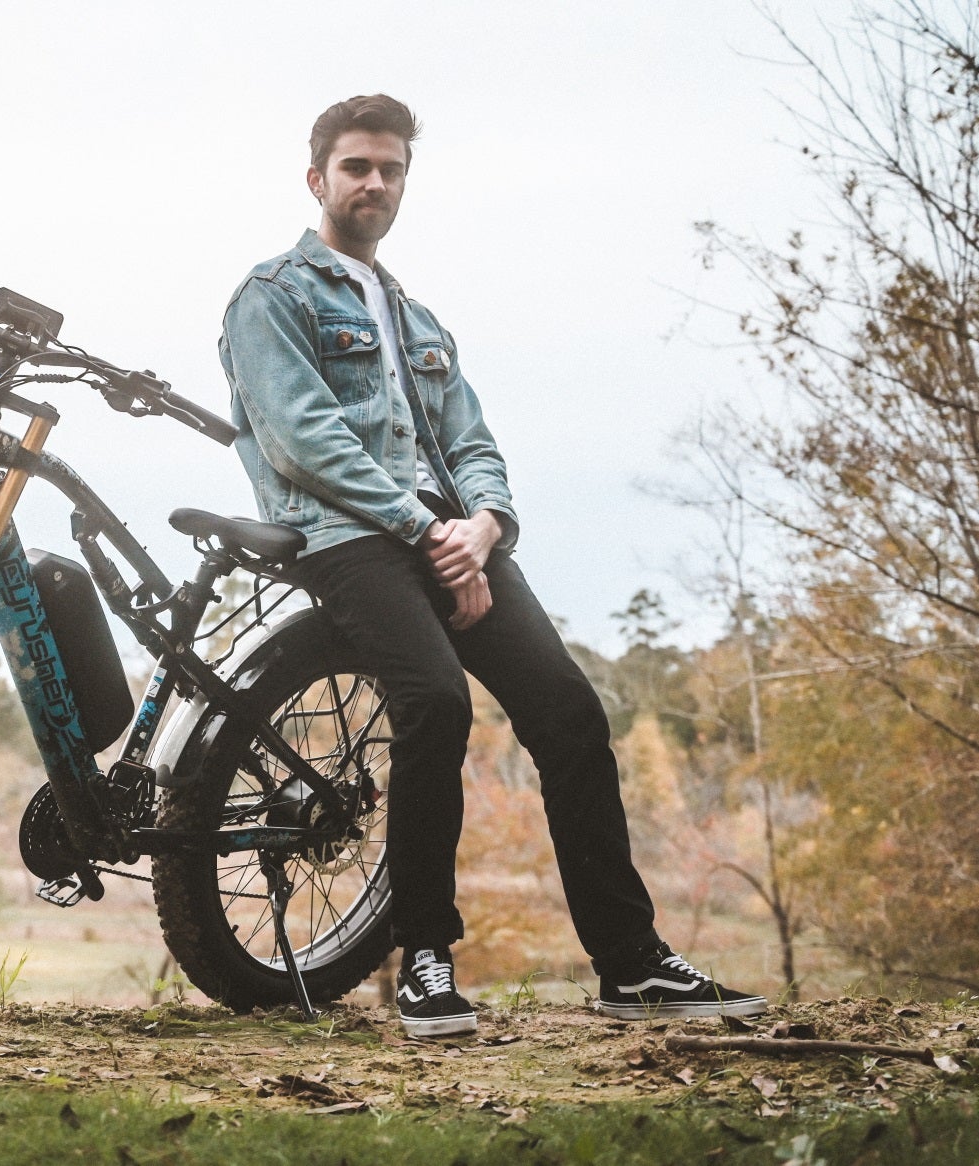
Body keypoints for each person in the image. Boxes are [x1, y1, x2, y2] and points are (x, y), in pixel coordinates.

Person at [217, 94, 767, 1038]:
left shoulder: (418, 317)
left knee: (568, 711)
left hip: (442, 535)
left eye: (390, 169)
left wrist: (485, 525)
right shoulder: (271, 297)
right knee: (435, 701)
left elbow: (471, 441)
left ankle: (630, 964)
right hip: (342, 536)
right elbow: (302, 440)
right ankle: (425, 956)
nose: (374, 183)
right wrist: (421, 529)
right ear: (318, 179)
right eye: (356, 167)